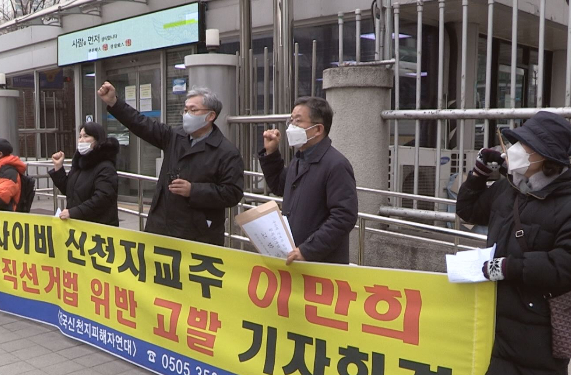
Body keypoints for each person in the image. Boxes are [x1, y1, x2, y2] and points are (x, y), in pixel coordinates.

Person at [456, 111, 571, 375]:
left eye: (522, 145)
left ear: (544, 156)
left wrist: (508, 267)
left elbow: (569, 266)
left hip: (543, 322)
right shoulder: (509, 186)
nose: (512, 150)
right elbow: (467, 210)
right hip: (497, 312)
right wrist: (478, 174)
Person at [97, 82, 244, 246]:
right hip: (160, 227)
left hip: (197, 235)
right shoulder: (174, 136)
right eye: (186, 110)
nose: (187, 114)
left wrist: (193, 190)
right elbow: (141, 124)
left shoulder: (226, 152)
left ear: (210, 116)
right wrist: (114, 102)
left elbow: (232, 193)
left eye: (193, 110)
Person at [259, 96, 358, 265]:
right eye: (291, 121)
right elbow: (280, 186)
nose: (291, 127)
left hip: (322, 264)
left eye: (298, 121)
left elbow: (343, 217)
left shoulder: (336, 164)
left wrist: (308, 250)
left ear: (318, 129)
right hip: (295, 258)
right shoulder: (300, 158)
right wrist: (271, 154)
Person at [48, 122, 120, 226]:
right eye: (80, 136)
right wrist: (58, 168)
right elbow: (70, 191)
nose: (81, 140)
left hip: (98, 229)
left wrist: (73, 212)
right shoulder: (80, 163)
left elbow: (102, 199)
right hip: (78, 225)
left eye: (86, 136)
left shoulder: (105, 167)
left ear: (97, 140)